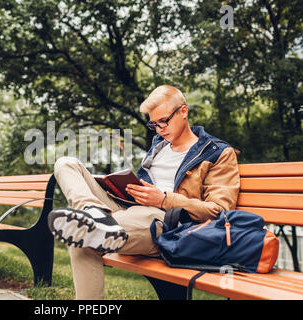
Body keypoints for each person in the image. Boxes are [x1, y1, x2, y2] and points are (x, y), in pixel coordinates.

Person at [48, 85, 240, 299]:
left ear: (183, 111)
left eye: (164, 121)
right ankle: (93, 211)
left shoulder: (218, 153)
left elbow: (221, 211)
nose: (159, 129)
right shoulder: (159, 146)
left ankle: (96, 223)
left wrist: (165, 200)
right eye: (154, 124)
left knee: (81, 235)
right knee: (66, 164)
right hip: (132, 208)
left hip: (168, 221)